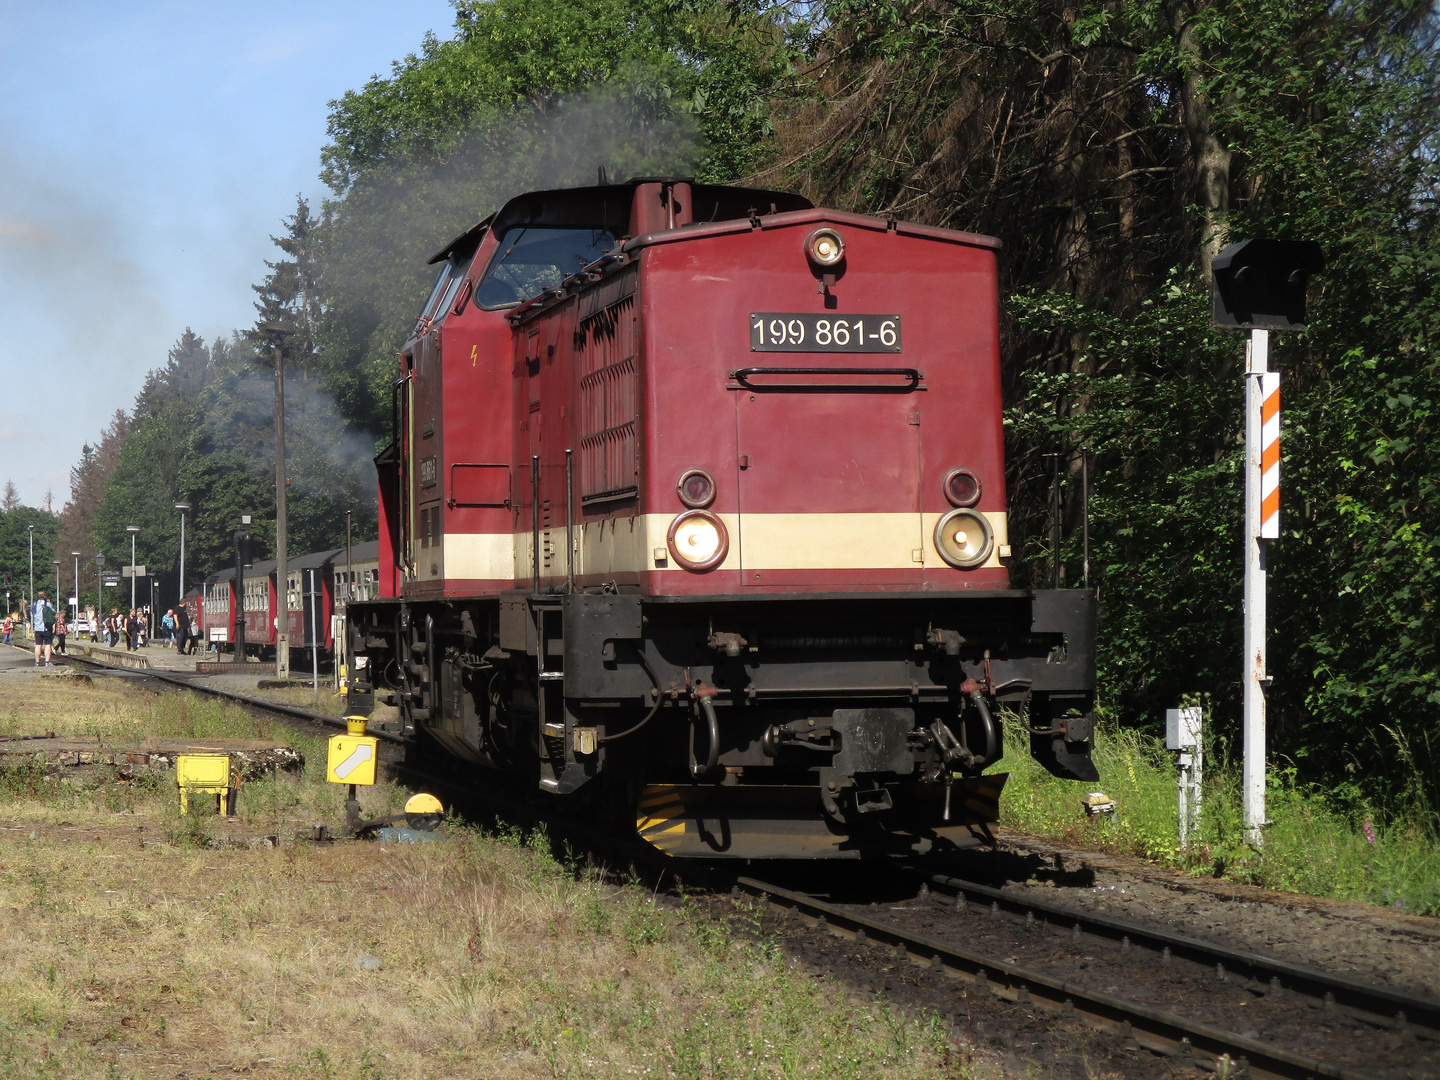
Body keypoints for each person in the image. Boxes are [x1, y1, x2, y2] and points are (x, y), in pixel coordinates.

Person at [31, 590, 55, 667]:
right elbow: (53, 613)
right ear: (44, 596)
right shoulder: (48, 604)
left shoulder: (34, 605)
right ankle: (47, 662)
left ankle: (37, 662)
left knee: (38, 645)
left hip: (38, 628)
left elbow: (32, 613)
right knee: (48, 645)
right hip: (47, 627)